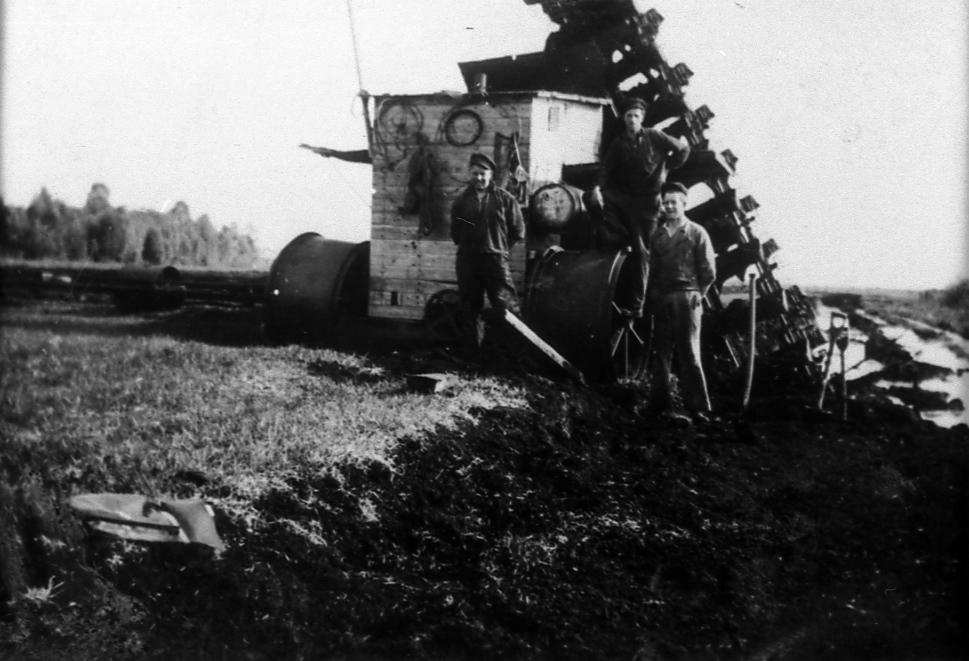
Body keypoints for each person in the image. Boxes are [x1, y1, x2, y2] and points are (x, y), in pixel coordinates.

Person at [591, 97, 690, 318]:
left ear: (642, 119)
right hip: (625, 197)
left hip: (648, 203)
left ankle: (637, 305)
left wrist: (667, 168)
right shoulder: (619, 143)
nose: (632, 120)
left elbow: (683, 149)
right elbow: (606, 169)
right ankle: (617, 235)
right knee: (593, 199)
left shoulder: (654, 136)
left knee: (642, 251)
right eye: (628, 116)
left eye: (636, 116)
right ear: (624, 119)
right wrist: (597, 188)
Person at [648, 181, 716, 421]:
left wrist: (698, 295)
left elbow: (708, 272)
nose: (668, 207)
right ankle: (659, 405)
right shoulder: (657, 235)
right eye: (665, 203)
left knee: (689, 352)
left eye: (673, 203)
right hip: (662, 297)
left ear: (684, 204)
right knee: (661, 353)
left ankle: (697, 408)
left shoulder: (697, 233)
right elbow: (653, 270)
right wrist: (655, 295)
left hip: (688, 297)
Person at [450, 152, 526, 352]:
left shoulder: (505, 199)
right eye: (475, 173)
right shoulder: (461, 201)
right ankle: (472, 355)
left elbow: (518, 231)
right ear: (470, 173)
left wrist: (499, 248)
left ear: (491, 174)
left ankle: (513, 354)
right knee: (469, 307)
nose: (479, 178)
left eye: (483, 173)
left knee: (506, 306)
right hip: (468, 261)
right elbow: (456, 231)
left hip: (495, 261)